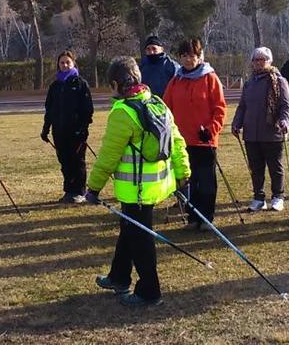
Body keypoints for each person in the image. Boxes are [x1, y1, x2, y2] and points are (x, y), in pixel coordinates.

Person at [88, 57, 190, 307]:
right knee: (129, 229)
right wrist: (183, 173)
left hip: (136, 190)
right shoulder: (157, 103)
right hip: (156, 186)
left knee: (141, 239)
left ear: (116, 84)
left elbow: (108, 156)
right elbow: (177, 142)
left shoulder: (123, 112)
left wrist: (93, 188)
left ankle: (149, 292)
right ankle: (119, 277)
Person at [163, 38, 226, 230]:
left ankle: (206, 217)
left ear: (199, 56)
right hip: (182, 141)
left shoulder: (210, 78)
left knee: (205, 181)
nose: (188, 59)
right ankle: (192, 217)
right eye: (184, 56)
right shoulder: (176, 81)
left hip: (204, 140)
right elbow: (166, 108)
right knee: (188, 182)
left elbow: (220, 109)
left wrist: (211, 129)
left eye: (192, 55)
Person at [231, 47, 289, 211]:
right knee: (256, 168)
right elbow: (242, 106)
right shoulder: (249, 83)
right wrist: (237, 123)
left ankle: (278, 196)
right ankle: (259, 197)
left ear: (269, 61)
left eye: (262, 59)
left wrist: (285, 121)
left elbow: (286, 106)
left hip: (272, 132)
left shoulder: (279, 81)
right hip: (251, 134)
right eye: (256, 60)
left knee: (275, 167)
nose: (259, 62)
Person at [41, 50, 94, 204]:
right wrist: (46, 129)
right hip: (59, 131)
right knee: (64, 161)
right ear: (58, 65)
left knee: (77, 161)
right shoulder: (55, 86)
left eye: (68, 62)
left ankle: (79, 191)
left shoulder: (80, 84)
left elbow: (87, 109)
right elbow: (49, 109)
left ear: (73, 64)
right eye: (62, 62)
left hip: (76, 132)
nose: (65, 65)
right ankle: (69, 191)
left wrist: (82, 129)